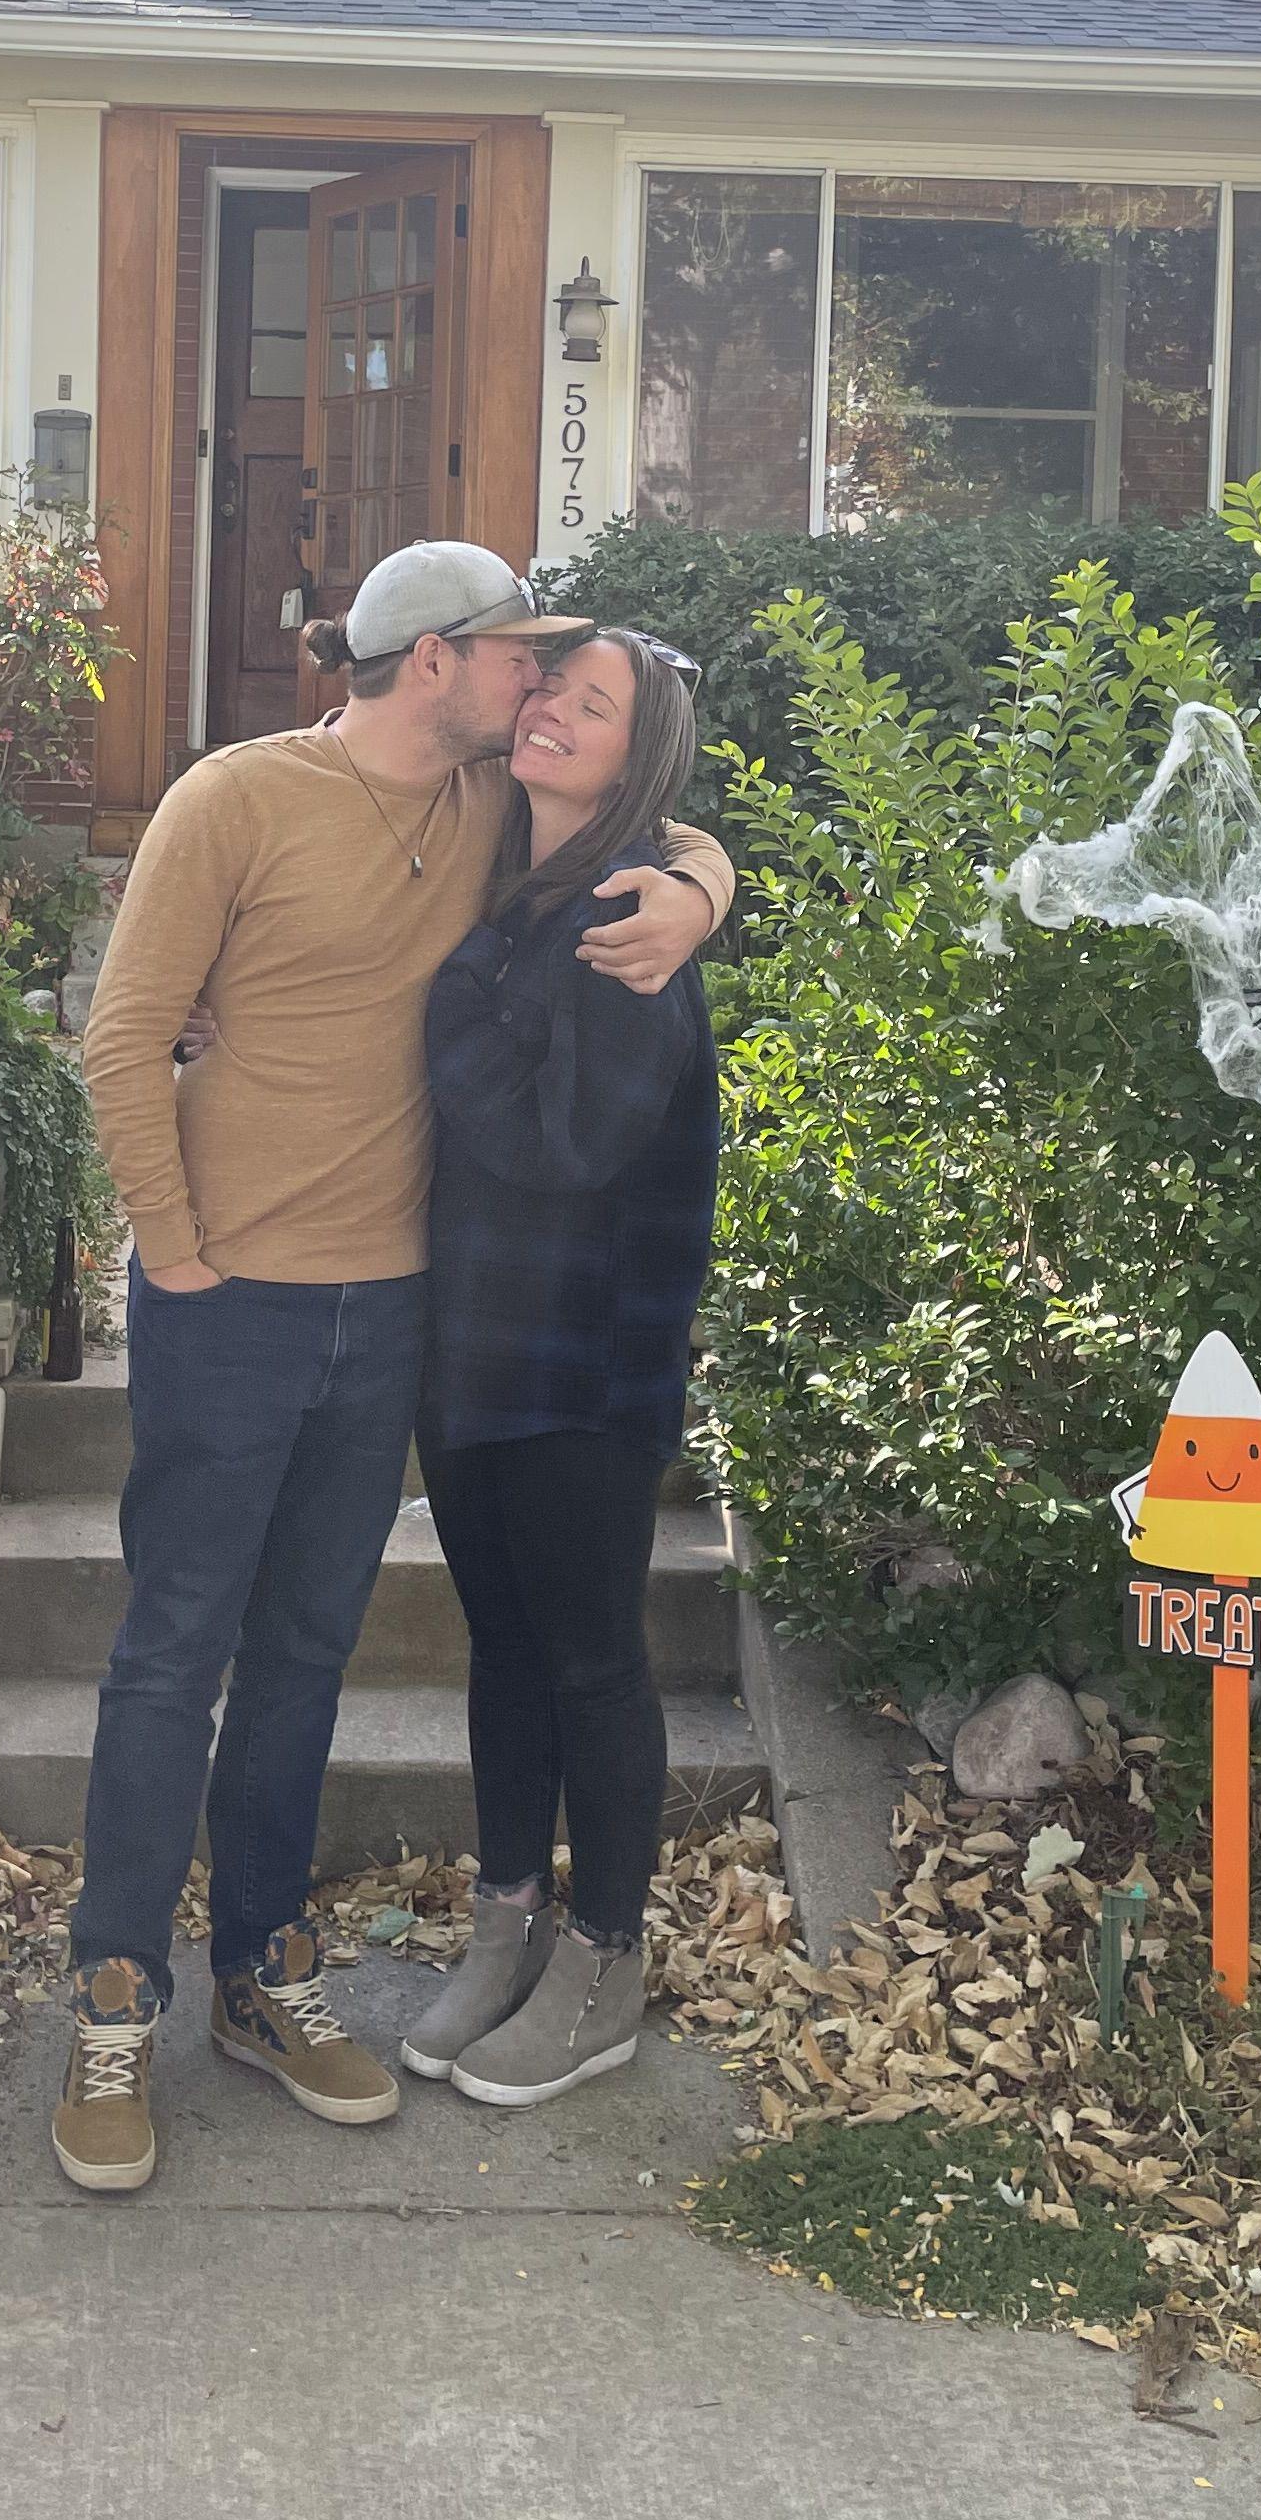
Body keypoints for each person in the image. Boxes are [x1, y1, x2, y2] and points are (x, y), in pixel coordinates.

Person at [55, 546, 734, 2195]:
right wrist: (177, 1250)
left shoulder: (491, 806)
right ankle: (115, 1995)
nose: (538, 686)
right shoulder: (233, 798)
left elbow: (652, 818)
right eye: (520, 658)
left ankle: (260, 1975)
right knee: (173, 1652)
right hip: (230, 1302)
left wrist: (707, 890)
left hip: (397, 1313)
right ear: (437, 661)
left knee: (305, 1655)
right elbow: (123, 1035)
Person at [391, 629, 723, 2109]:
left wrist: (446, 1027)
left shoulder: (628, 912)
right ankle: (508, 1923)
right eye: (551, 687)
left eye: (596, 707)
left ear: (637, 755)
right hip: (470, 1344)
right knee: (505, 1650)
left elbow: (565, 1141)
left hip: (584, 1358)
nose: (554, 714)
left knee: (594, 1658)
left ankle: (604, 1966)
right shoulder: (507, 880)